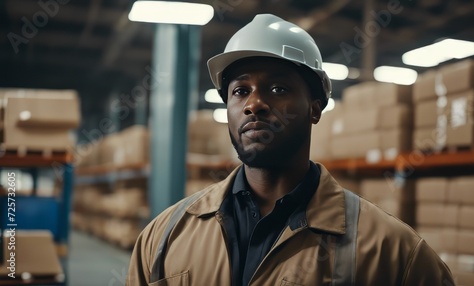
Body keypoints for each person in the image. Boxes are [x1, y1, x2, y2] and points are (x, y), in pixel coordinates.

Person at [127, 14, 455, 286]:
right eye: (240, 90)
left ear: (314, 109)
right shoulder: (163, 237)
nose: (254, 103)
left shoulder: (391, 251)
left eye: (278, 88)